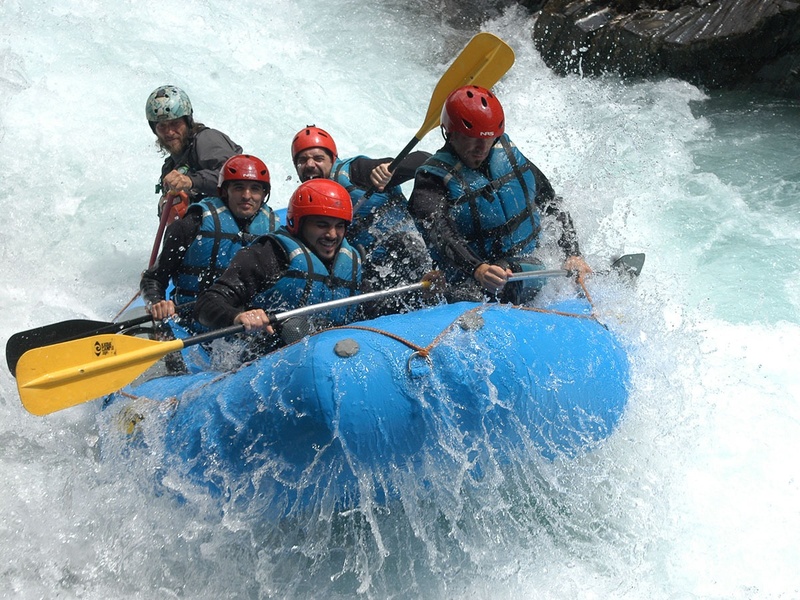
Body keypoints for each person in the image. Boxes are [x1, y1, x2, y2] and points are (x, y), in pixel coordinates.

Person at [409, 85, 593, 304]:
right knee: (499, 277)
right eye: (472, 138)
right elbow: (439, 232)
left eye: (488, 138)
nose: (482, 148)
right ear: (450, 133)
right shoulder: (432, 179)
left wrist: (573, 253)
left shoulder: (505, 153)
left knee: (515, 271)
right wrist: (477, 268)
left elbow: (551, 203)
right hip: (476, 277)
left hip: (529, 266)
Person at [194, 178, 367, 354]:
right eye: (321, 225)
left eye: (339, 226)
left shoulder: (351, 261)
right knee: (294, 327)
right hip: (267, 356)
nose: (332, 235)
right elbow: (206, 303)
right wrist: (238, 316)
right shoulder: (268, 254)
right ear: (297, 223)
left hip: (332, 351)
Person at [140, 154, 279, 330]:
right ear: (224, 191)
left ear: (264, 194)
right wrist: (156, 303)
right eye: (238, 188)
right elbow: (153, 279)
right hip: (189, 322)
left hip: (246, 324)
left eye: (255, 189)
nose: (247, 195)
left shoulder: (274, 232)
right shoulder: (193, 224)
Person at [291, 125, 432, 294]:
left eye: (318, 158)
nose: (310, 165)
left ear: (333, 160)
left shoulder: (355, 170)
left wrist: (390, 171)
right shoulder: (305, 204)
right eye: (302, 161)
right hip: (374, 272)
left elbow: (424, 159)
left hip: (410, 251)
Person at [146, 85, 243, 216]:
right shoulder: (170, 167)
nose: (169, 132)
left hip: (233, 226)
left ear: (187, 121)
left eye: (175, 123)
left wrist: (191, 181)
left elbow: (236, 178)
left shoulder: (206, 139)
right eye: (162, 126)